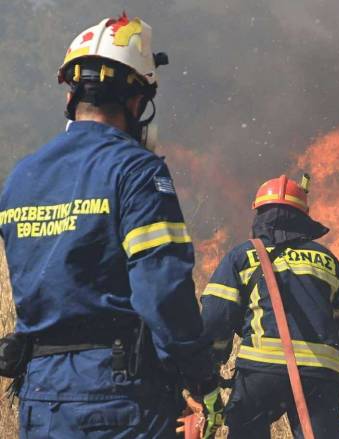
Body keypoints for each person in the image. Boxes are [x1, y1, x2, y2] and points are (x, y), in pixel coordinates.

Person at [0, 13, 218, 438]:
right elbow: (162, 292)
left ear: (71, 97)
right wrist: (200, 374)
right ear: (137, 102)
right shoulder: (136, 171)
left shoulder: (20, 178)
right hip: (119, 397)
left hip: (41, 398)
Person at [200, 174, 339, 438]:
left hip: (261, 372)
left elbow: (216, 316)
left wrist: (211, 364)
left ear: (260, 213)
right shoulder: (326, 259)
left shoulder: (243, 255)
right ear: (303, 216)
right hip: (321, 374)